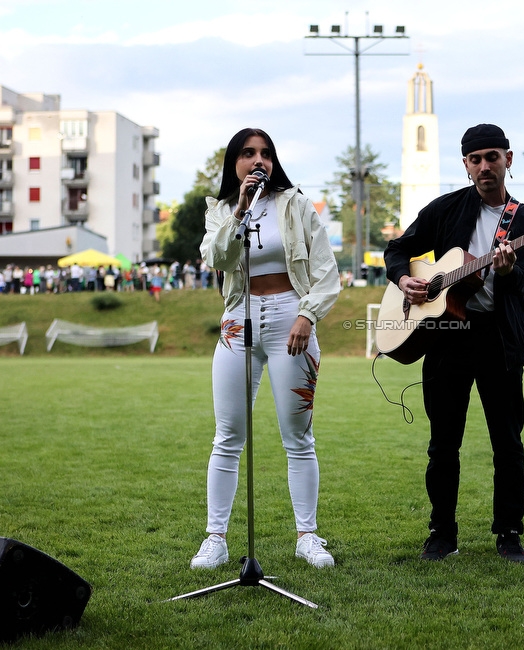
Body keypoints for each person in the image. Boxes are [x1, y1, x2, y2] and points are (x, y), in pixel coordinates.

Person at [383, 124, 524, 564]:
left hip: (499, 341)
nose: (484, 166)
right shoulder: (445, 209)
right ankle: (442, 532)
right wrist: (405, 280)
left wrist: (509, 270)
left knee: (507, 443)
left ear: (508, 160)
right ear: (466, 165)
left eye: (492, 157)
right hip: (446, 339)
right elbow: (398, 249)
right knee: (443, 444)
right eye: (476, 159)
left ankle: (509, 534)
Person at [191, 127, 341, 570]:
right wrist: (239, 210)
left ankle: (307, 536)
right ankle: (215, 539)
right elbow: (216, 259)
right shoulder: (220, 210)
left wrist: (306, 316)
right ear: (233, 163)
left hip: (291, 322)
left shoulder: (295, 204)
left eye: (266, 154)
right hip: (239, 322)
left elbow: (326, 271)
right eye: (248, 153)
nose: (258, 161)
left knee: (298, 438)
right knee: (227, 436)